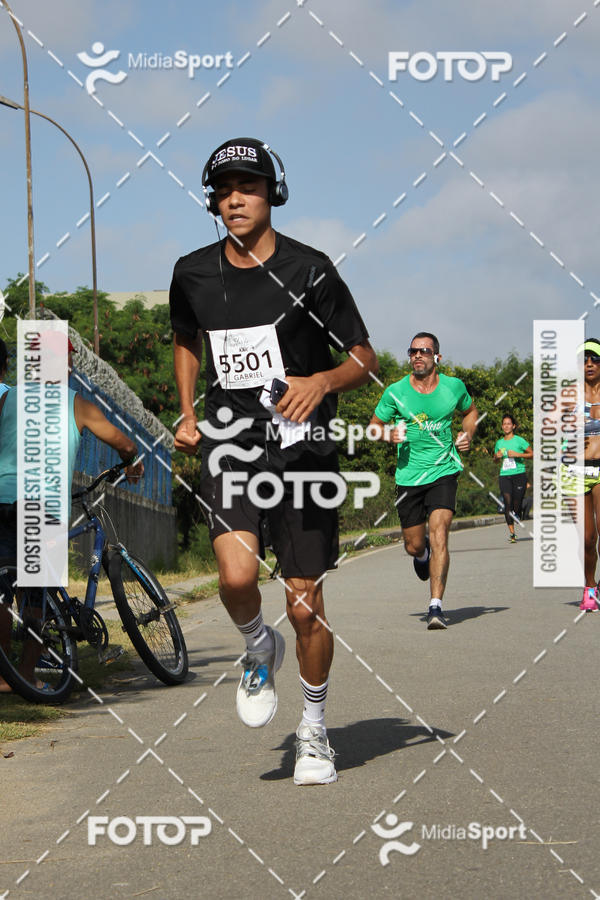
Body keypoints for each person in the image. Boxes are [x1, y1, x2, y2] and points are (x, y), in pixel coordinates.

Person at [170, 136, 378, 785]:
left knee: (305, 604)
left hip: (304, 450)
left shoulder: (311, 270)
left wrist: (321, 382)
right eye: (225, 189)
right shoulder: (193, 272)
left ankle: (314, 731)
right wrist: (185, 410)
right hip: (232, 443)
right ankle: (258, 648)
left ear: (272, 195)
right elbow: (185, 340)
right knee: (234, 578)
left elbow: (364, 356)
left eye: (249, 187)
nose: (235, 198)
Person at [0, 333, 143, 692]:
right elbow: (124, 443)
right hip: (42, 505)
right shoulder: (76, 403)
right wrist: (132, 462)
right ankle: (26, 673)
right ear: (64, 365)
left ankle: (3, 677)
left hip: (2, 499)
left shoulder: (7, 398)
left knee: (2, 590)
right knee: (36, 593)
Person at [369, 332, 478, 629]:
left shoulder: (453, 387)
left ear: (437, 357)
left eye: (425, 351)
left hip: (443, 470)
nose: (418, 355)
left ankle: (435, 606)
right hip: (408, 476)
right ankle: (422, 554)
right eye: (413, 351)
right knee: (414, 546)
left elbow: (470, 412)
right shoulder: (395, 392)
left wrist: (468, 433)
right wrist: (387, 434)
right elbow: (373, 427)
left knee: (440, 530)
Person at [561, 338, 600, 612]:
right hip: (574, 471)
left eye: (594, 358)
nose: (588, 364)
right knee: (587, 538)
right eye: (583, 359)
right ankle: (590, 586)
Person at [493, 414, 532, 543]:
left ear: (513, 426)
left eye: (509, 423)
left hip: (519, 475)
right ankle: (512, 533)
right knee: (507, 504)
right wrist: (497, 457)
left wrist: (517, 454)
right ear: (502, 426)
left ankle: (518, 513)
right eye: (504, 424)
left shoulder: (520, 440)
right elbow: (495, 461)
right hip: (504, 476)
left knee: (517, 504)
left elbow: (532, 454)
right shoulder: (499, 443)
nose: (506, 426)